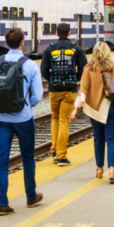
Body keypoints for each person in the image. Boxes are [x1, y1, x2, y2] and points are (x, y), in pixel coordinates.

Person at [0, 27, 44, 215]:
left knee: (2, 159)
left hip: (1, 118)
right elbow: (38, 95)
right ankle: (30, 196)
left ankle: (2, 203)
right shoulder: (29, 65)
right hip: (23, 118)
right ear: (22, 42)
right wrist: (27, 104)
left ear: (7, 42)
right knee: (27, 157)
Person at [71, 42, 114, 183]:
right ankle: (112, 170)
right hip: (113, 107)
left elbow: (83, 92)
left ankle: (99, 169)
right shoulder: (113, 66)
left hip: (94, 110)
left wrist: (75, 109)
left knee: (98, 139)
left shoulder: (88, 68)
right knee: (112, 139)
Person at [41, 22, 87, 166]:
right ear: (69, 33)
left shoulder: (49, 49)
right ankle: (61, 156)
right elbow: (83, 68)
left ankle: (55, 151)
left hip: (54, 89)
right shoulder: (77, 49)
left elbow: (43, 70)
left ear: (56, 33)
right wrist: (75, 79)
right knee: (64, 121)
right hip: (69, 89)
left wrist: (52, 80)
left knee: (55, 118)